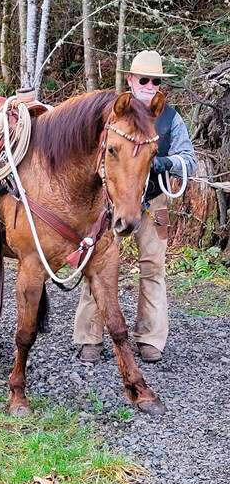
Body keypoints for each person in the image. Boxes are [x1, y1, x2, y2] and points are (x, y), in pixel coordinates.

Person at [74, 50, 196, 364]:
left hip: (153, 200)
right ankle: (90, 336)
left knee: (153, 268)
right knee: (97, 265)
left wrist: (164, 162)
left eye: (156, 80)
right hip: (111, 201)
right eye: (144, 79)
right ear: (131, 79)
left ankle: (150, 338)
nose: (150, 85)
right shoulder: (113, 112)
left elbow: (189, 161)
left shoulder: (170, 118)